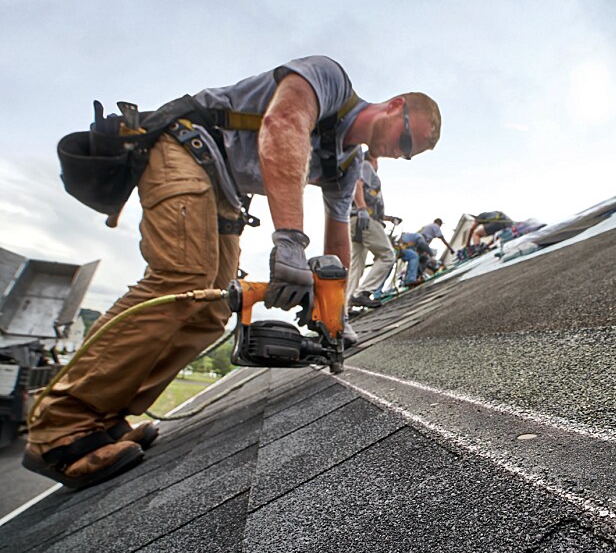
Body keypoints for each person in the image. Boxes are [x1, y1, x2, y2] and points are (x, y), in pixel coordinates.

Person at [24, 55, 441, 489]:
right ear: (395, 106)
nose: (404, 154)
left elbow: (337, 244)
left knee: (211, 309)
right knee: (183, 278)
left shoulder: (348, 164)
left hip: (224, 188)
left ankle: (102, 416)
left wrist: (334, 316)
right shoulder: (328, 79)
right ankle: (59, 429)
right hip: (185, 147)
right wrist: (290, 246)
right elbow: (283, 126)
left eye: (413, 154)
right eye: (409, 141)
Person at [347, 151, 403, 309]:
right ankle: (362, 293)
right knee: (387, 255)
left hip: (354, 220)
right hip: (364, 220)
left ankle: (346, 306)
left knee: (356, 264)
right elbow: (357, 184)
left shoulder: (363, 169)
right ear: (373, 159)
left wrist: (389, 218)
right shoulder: (366, 166)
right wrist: (362, 209)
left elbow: (369, 201)